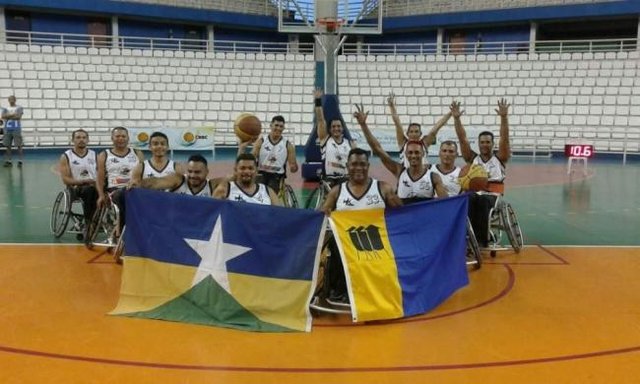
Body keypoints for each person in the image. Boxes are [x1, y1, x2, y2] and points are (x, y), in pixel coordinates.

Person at [320, 148, 402, 303]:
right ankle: (340, 289)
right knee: (335, 244)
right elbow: (320, 214)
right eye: (354, 164)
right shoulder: (337, 192)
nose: (358, 168)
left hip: (376, 243)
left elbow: (402, 214)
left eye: (362, 164)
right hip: (347, 245)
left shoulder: (383, 188)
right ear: (347, 166)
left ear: (368, 166)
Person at [353, 104, 448, 203]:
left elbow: (447, 204)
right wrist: (363, 125)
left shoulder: (433, 177)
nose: (413, 155)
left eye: (417, 152)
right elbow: (377, 149)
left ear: (423, 153)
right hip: (404, 215)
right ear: (405, 154)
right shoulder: (399, 170)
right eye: (410, 153)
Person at [452, 99, 511, 247]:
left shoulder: (500, 157)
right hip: (475, 193)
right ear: (478, 144)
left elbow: (505, 138)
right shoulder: (473, 158)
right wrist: (457, 119)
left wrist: (504, 118)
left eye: (488, 142)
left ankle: (481, 240)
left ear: (493, 144)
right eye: (482, 142)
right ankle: (465, 236)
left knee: (483, 201)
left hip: (492, 194)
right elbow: (462, 139)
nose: (485, 144)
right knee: (467, 199)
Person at [95, 126, 144, 237]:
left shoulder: (137, 153)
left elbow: (143, 174)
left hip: (135, 189)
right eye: (117, 136)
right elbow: (100, 178)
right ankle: (123, 228)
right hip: (115, 190)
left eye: (123, 136)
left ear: (128, 138)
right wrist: (101, 195)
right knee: (123, 194)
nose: (120, 138)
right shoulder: (104, 155)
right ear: (112, 138)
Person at [387, 93, 451, 168]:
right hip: (406, 175)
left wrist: (450, 114)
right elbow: (397, 123)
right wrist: (392, 106)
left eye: (416, 131)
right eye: (411, 132)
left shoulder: (424, 143)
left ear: (420, 134)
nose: (414, 134)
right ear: (407, 134)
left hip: (423, 176)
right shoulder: (403, 142)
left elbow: (436, 128)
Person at [241, 115, 298, 194]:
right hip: (261, 173)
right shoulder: (261, 141)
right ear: (271, 126)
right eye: (276, 125)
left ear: (283, 128)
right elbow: (251, 157)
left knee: (270, 194)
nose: (278, 128)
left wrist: (293, 167)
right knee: (257, 194)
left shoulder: (288, 145)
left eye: (281, 126)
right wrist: (242, 149)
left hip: (276, 176)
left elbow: (293, 167)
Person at [314, 88, 356, 185]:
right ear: (330, 129)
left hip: (345, 179)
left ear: (342, 128)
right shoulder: (325, 139)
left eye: (338, 126)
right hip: (329, 179)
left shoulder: (349, 144)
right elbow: (320, 119)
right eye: (333, 126)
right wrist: (318, 101)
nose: (336, 128)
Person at [58, 129, 98, 225]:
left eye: (84, 138)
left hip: (94, 186)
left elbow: (101, 173)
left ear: (88, 140)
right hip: (76, 188)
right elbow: (65, 179)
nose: (81, 140)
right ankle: (90, 222)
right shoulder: (66, 156)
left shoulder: (94, 154)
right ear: (73, 140)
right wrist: (83, 182)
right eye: (78, 137)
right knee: (90, 190)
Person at [213, 153, 280, 205]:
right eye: (242, 168)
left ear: (256, 171)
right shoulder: (225, 189)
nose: (247, 171)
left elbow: (281, 214)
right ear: (235, 170)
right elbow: (210, 211)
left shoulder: (267, 191)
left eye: (250, 168)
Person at [139, 154, 218, 197]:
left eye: (197, 172)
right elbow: (155, 182)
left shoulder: (212, 186)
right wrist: (138, 184)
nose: (192, 175)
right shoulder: (179, 180)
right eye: (190, 171)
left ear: (207, 172)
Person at [2, 96, 24, 167]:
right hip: (7, 129)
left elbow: (18, 117)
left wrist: (8, 116)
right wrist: (13, 114)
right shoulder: (5, 108)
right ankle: (9, 161)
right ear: (8, 100)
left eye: (12, 99)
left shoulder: (19, 108)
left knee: (19, 145)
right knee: (8, 145)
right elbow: (3, 116)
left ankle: (20, 160)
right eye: (10, 99)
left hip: (16, 128)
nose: (11, 100)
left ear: (15, 100)